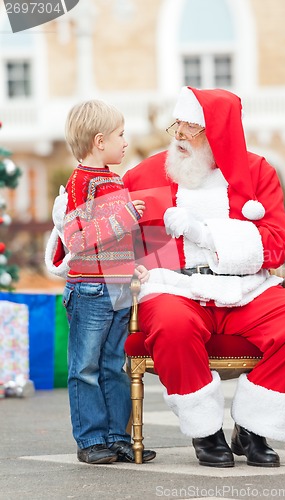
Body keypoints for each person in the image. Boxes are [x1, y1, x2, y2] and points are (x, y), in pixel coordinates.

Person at [122, 87, 285, 468]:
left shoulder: (257, 172)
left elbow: (275, 247)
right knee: (170, 324)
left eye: (190, 128)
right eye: (177, 126)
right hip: (177, 288)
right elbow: (115, 238)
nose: (178, 135)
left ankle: (253, 426)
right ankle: (205, 430)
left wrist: (208, 235)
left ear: (217, 133)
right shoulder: (145, 173)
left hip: (245, 291)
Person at [45, 100, 156, 465]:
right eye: (120, 135)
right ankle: (91, 439)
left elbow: (118, 239)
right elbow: (77, 238)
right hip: (90, 289)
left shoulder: (112, 178)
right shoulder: (82, 183)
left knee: (115, 365)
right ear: (98, 141)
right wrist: (124, 215)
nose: (126, 141)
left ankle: (117, 436)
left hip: (119, 285)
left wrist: (135, 263)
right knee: (86, 367)